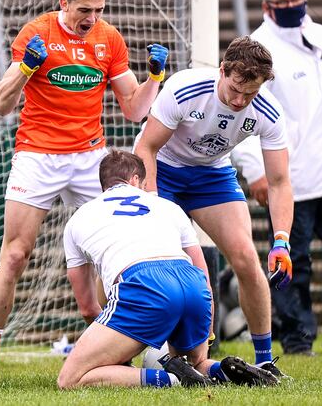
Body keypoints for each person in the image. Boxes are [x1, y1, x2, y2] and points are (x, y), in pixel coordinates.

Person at [0, 0, 169, 384]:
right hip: (37, 156)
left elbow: (133, 109)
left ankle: (123, 344)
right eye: (83, 10)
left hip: (88, 159)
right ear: (64, 4)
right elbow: (2, 105)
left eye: (98, 10)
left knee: (114, 251)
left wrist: (154, 79)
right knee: (16, 255)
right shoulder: (36, 33)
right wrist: (27, 69)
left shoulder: (108, 39)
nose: (91, 18)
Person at [133, 36, 294, 378]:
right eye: (235, 89)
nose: (239, 100)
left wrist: (281, 240)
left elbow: (279, 182)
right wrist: (152, 205)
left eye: (249, 94)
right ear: (222, 71)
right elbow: (146, 148)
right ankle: (150, 347)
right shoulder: (184, 89)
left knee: (247, 259)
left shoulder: (267, 112)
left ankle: (264, 359)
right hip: (162, 169)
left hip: (211, 175)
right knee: (156, 259)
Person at [58, 150, 278, 389]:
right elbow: (203, 275)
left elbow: (88, 308)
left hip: (142, 284)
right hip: (191, 284)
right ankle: (221, 369)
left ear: (104, 184)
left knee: (71, 379)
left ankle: (171, 378)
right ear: (135, 180)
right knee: (197, 362)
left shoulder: (79, 217)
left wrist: (116, 352)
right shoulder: (168, 207)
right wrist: (208, 334)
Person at [230, 0, 322, 357]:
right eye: (282, 2)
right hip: (291, 175)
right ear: (267, 6)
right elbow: (243, 114)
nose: (291, 7)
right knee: (293, 262)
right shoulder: (260, 49)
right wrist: (254, 170)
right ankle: (298, 340)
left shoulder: (318, 35)